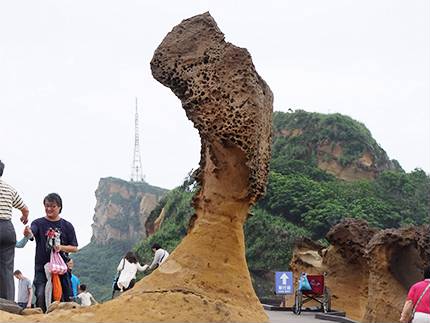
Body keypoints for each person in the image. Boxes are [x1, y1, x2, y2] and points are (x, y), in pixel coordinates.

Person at [30, 193, 78, 312]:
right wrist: (28, 233)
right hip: (41, 267)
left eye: (53, 206)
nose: (49, 209)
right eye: (46, 206)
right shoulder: (38, 223)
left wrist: (60, 247)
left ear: (59, 207)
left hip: (61, 267)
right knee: (41, 294)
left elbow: (74, 247)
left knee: (65, 297)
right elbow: (32, 233)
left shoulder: (67, 226)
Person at [0, 160, 29, 301]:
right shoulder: (9, 188)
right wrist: (24, 217)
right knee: (6, 268)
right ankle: (8, 301)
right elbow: (25, 208)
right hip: (7, 229)